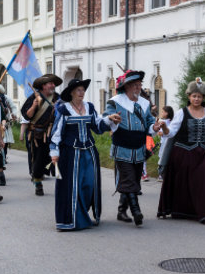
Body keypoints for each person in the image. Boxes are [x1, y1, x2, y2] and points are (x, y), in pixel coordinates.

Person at [157, 78, 205, 225]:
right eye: (194, 96)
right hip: (183, 154)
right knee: (183, 185)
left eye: (199, 96)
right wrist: (164, 128)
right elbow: (171, 132)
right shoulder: (181, 113)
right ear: (189, 96)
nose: (196, 99)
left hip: (202, 155)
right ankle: (185, 211)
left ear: (203, 98)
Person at [103, 70, 167, 226]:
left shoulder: (144, 104)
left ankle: (121, 211)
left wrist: (155, 125)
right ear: (127, 86)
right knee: (129, 179)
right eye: (135, 85)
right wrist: (112, 119)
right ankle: (136, 210)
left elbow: (149, 123)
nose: (139, 88)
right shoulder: (114, 102)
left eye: (140, 85)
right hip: (122, 146)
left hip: (139, 148)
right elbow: (106, 119)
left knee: (133, 179)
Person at [49, 79, 114, 230]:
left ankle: (84, 213)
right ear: (71, 92)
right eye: (78, 90)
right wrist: (54, 152)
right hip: (71, 154)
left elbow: (97, 127)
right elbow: (56, 134)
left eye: (83, 90)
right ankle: (74, 219)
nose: (81, 93)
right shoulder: (63, 109)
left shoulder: (89, 107)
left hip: (89, 153)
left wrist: (110, 120)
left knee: (89, 185)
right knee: (74, 186)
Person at [21, 74, 63, 196]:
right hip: (38, 135)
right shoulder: (34, 97)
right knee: (39, 160)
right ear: (43, 86)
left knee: (57, 159)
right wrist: (34, 105)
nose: (53, 86)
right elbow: (26, 115)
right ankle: (38, 183)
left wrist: (58, 109)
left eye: (53, 84)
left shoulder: (57, 98)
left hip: (55, 134)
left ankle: (63, 184)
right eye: (50, 83)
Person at [156, 105, 174, 181]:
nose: (162, 113)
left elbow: (160, 133)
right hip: (166, 143)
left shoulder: (164, 122)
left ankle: (162, 174)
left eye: (163, 111)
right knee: (165, 157)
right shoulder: (171, 121)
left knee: (163, 157)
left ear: (167, 113)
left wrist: (161, 132)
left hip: (165, 143)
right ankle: (163, 174)